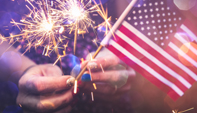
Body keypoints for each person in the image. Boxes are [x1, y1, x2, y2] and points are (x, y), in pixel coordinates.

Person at [0, 41, 136, 113]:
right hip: (18, 89)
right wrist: (25, 71)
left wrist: (115, 56)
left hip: (107, 106)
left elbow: (129, 9)